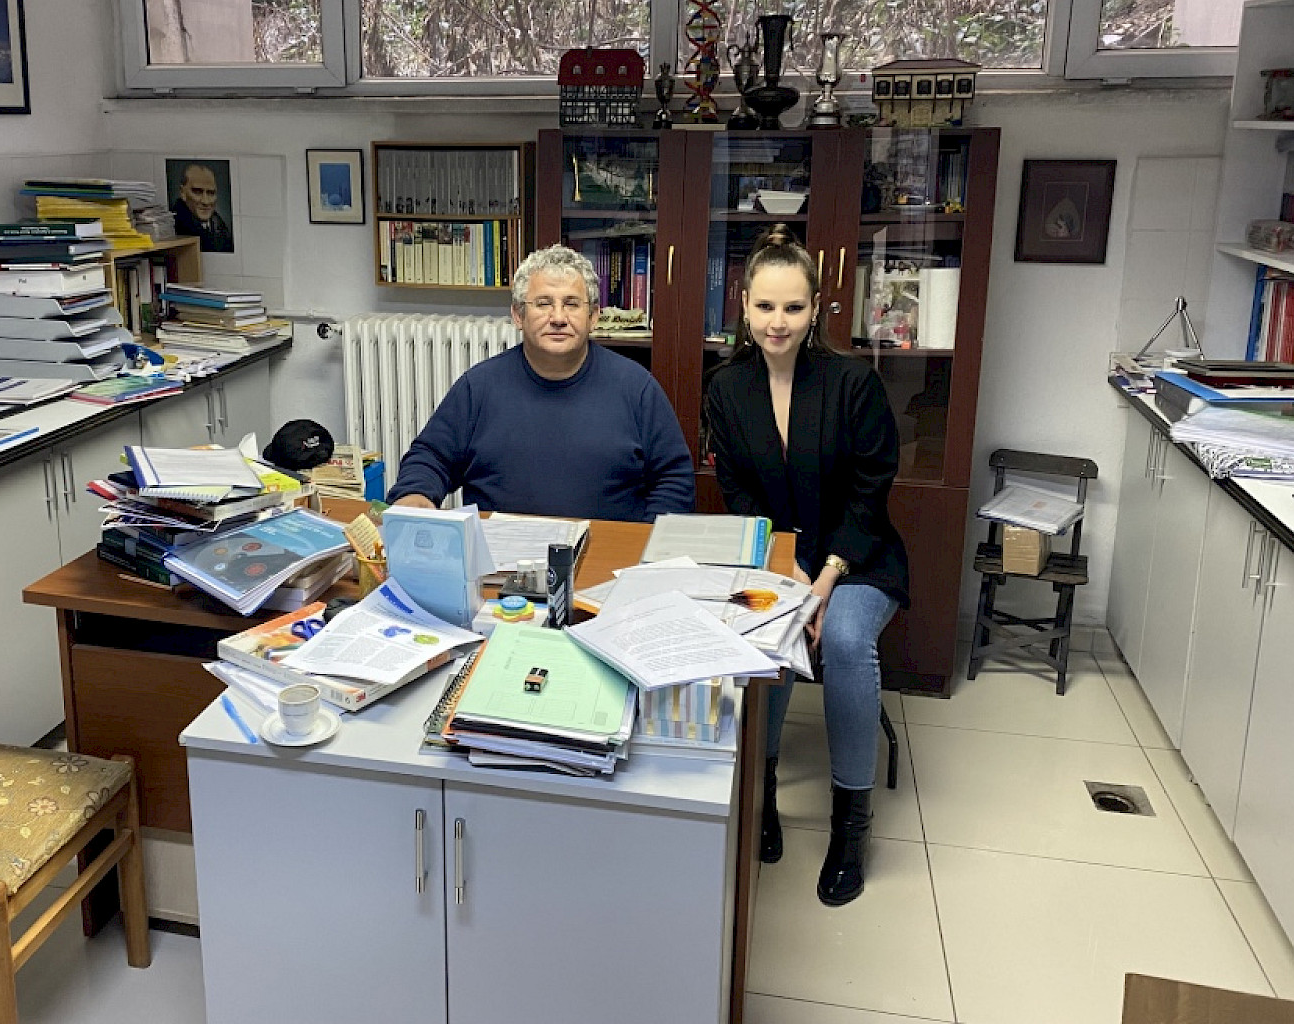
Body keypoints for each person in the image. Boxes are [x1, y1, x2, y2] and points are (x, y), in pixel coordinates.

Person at [703, 227, 909, 907]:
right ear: (743, 305)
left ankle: (851, 826)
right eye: (765, 307)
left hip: (858, 555)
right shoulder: (727, 387)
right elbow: (738, 489)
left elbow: (870, 492)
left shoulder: (853, 383)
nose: (778, 322)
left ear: (817, 308)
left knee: (843, 639)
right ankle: (761, 798)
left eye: (793, 307)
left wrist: (821, 582)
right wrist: (787, 572)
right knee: (770, 632)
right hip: (781, 557)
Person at [386, 245, 695, 523]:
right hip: (500, 557)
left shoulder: (637, 388)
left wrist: (644, 546)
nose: (558, 317)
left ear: (594, 316)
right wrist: (416, 494)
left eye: (571, 304)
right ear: (518, 315)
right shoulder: (477, 388)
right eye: (543, 303)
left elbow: (674, 480)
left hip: (609, 559)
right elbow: (431, 458)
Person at [172, 163, 233, 252]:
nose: (205, 201)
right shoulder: (173, 226)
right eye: (197, 192)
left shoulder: (221, 228)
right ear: (182, 192)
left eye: (211, 193)